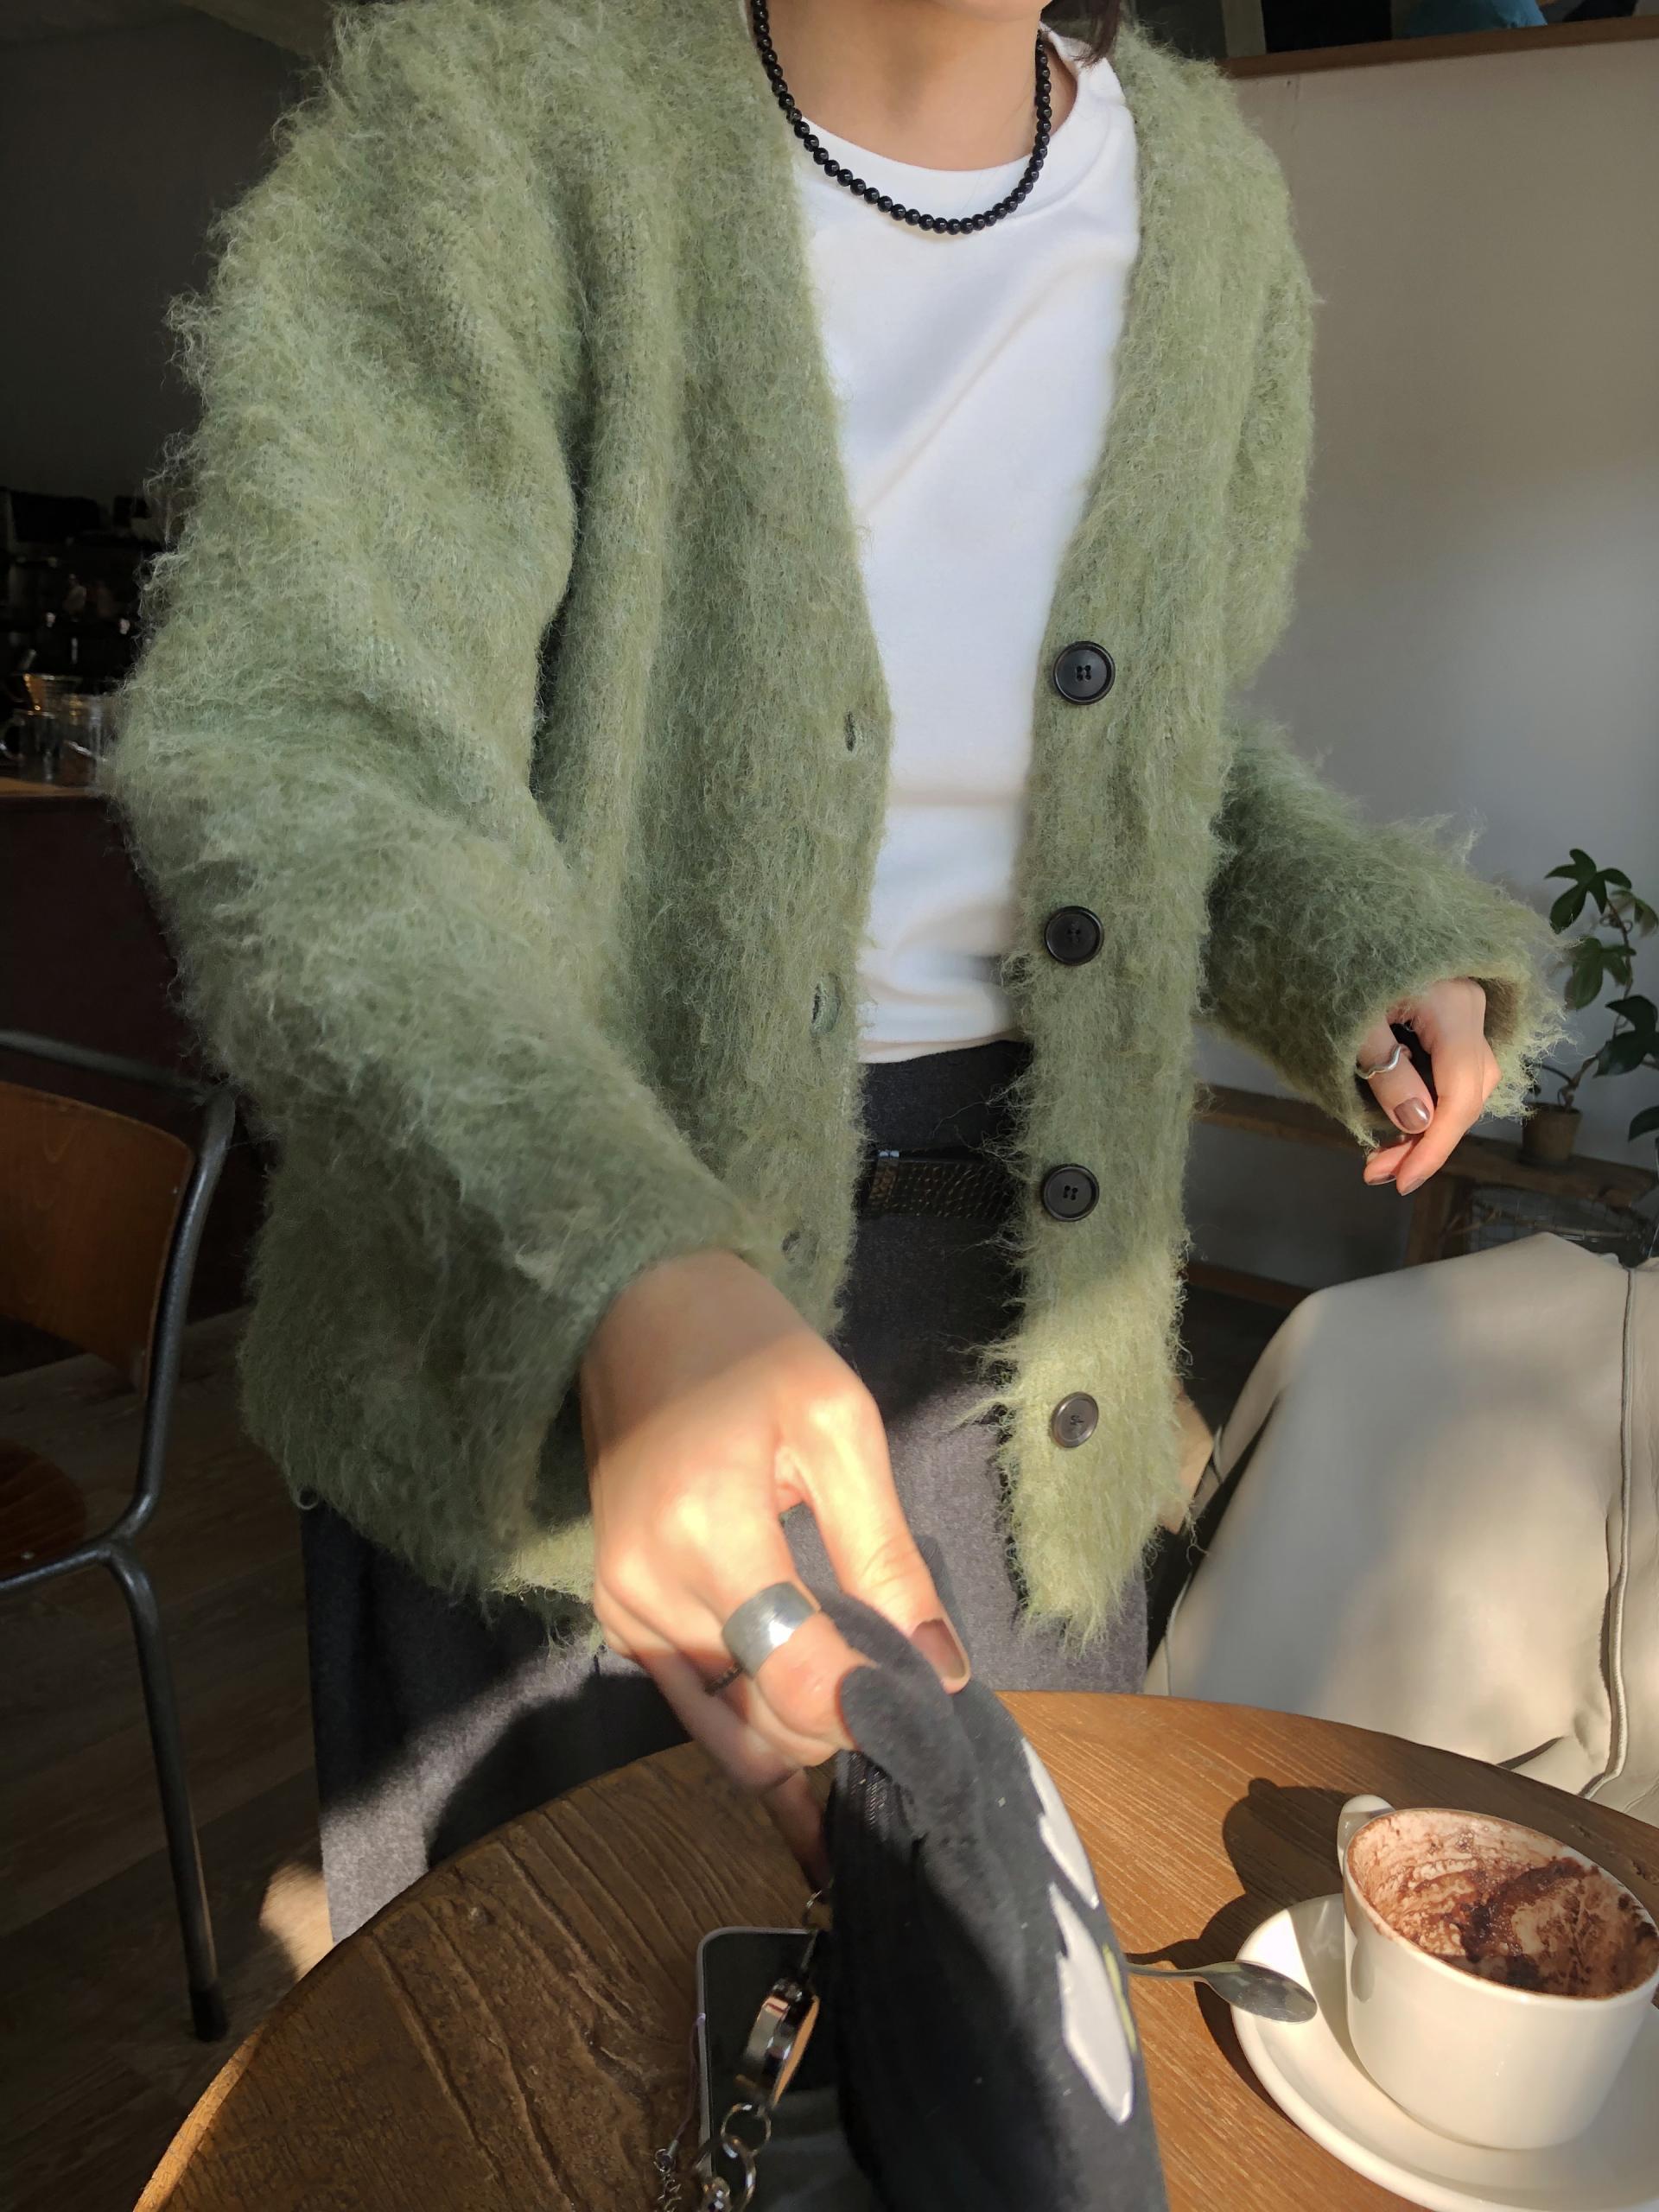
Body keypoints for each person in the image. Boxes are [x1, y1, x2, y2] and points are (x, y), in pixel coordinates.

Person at [114, 0, 1555, 1936]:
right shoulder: (497, 113)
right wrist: (620, 1256)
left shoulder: (1201, 203)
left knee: (989, 2030)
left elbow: (1159, 763)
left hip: (1031, 1337)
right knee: (556, 2036)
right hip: (540, 1304)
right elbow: (317, 754)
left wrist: (1356, 941)